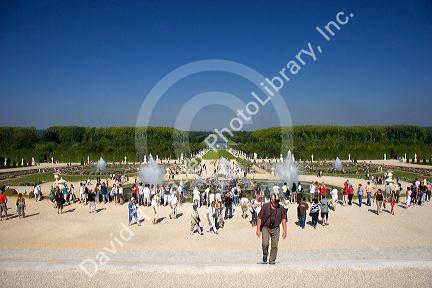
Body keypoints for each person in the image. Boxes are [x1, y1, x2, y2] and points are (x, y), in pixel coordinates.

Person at [256, 194, 287, 264]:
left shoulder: (281, 208)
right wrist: (258, 230)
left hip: (276, 229)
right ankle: (265, 255)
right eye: (275, 201)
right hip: (266, 228)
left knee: (275, 245)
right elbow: (260, 218)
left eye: (278, 201)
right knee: (265, 244)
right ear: (271, 200)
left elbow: (284, 220)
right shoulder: (265, 206)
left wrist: (285, 231)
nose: (276, 203)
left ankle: (272, 260)